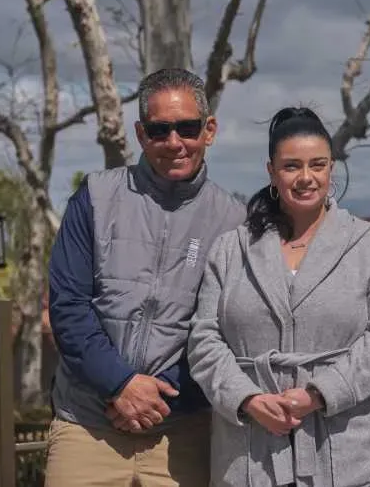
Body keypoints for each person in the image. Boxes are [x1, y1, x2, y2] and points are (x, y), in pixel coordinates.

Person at [45, 68, 245, 486]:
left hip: (183, 432)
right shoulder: (95, 197)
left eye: (188, 128)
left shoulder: (234, 221)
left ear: (209, 130)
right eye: (159, 130)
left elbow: (228, 330)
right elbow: (68, 306)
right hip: (86, 425)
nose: (175, 142)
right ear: (140, 134)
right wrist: (118, 385)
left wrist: (154, 399)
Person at [186, 107, 370, 487]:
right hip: (250, 452)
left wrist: (319, 394)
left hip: (348, 453)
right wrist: (247, 399)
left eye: (317, 165)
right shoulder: (231, 249)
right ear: (271, 171)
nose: (306, 178)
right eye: (291, 166)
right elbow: (203, 339)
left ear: (331, 168)